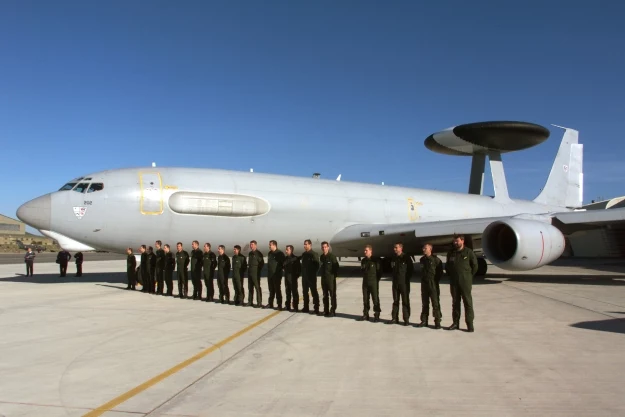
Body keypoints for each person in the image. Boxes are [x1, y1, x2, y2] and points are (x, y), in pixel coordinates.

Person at [445, 234, 478, 332]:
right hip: (454, 282)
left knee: (467, 302)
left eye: (457, 241)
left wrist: (468, 276)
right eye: (454, 241)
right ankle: (455, 323)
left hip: (465, 281)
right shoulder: (451, 253)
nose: (455, 243)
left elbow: (475, 266)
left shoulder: (468, 252)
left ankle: (469, 324)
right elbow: (447, 267)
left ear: (462, 241)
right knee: (455, 303)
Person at [419, 243, 442, 329]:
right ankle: (424, 321)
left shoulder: (436, 260)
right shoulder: (422, 260)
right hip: (424, 284)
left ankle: (437, 321)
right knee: (425, 303)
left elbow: (439, 272)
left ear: (430, 249)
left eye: (425, 248)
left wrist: (435, 281)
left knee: (435, 303)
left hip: (433, 284)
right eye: (423, 248)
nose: (423, 249)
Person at [391, 242, 413, 326]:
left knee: (405, 301)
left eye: (396, 248)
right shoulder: (393, 258)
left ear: (401, 248)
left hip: (404, 283)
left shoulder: (406, 258)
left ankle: (406, 319)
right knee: (395, 301)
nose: (394, 249)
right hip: (395, 283)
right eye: (394, 247)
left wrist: (405, 280)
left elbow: (411, 270)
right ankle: (394, 318)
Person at [360, 245, 381, 322]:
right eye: (364, 250)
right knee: (365, 299)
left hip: (373, 282)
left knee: (375, 299)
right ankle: (366, 314)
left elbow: (379, 272)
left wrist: (376, 280)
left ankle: (377, 314)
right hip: (365, 282)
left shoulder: (375, 260)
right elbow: (362, 270)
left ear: (371, 251)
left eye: (366, 250)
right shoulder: (363, 261)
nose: (365, 252)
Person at [300, 239, 320, 314]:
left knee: (314, 292)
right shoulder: (304, 254)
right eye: (304, 244)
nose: (305, 245)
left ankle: (316, 308)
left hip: (311, 277)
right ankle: (306, 307)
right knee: (305, 292)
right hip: (304, 277)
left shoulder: (314, 254)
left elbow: (317, 265)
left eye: (306, 244)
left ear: (310, 245)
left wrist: (312, 273)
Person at [319, 241, 339, 317]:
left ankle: (333, 310)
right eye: (323, 247)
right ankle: (326, 310)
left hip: (330, 279)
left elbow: (336, 267)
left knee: (332, 295)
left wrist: (333, 276)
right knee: (325, 295)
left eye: (325, 247)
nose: (324, 248)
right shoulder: (321, 257)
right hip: (323, 279)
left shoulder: (332, 257)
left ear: (328, 247)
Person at [266, 240, 285, 309]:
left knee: (277, 290)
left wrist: (280, 272)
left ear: (274, 245)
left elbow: (283, 264)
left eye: (270, 245)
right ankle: (270, 303)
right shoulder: (270, 253)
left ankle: (279, 305)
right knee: (271, 290)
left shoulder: (279, 253)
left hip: (276, 275)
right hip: (270, 275)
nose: (269, 246)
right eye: (269, 245)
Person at [283, 245, 301, 312]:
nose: (286, 251)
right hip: (287, 278)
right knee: (287, 292)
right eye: (286, 249)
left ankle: (295, 307)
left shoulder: (295, 259)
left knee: (294, 293)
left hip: (293, 279)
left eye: (287, 249)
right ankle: (288, 306)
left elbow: (299, 269)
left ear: (291, 250)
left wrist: (295, 276)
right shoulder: (285, 258)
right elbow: (284, 267)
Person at [247, 240, 264, 307]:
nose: (251, 246)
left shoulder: (258, 253)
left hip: (256, 272)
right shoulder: (250, 253)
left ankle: (259, 302)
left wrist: (257, 270)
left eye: (253, 244)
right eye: (250, 245)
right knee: (250, 287)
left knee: (257, 287)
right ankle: (250, 301)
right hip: (250, 272)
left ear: (256, 245)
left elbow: (261, 263)